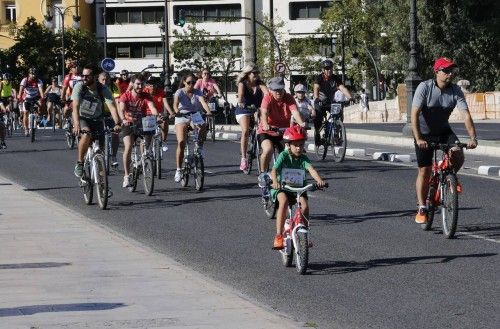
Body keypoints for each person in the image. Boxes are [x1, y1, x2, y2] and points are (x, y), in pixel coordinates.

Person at [411, 57, 477, 224]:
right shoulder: (424, 87)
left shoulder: (455, 90)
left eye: (451, 71)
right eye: (446, 71)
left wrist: (472, 138)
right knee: (424, 171)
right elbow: (414, 114)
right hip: (424, 134)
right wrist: (418, 138)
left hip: (443, 131)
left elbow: (466, 115)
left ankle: (449, 179)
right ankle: (421, 207)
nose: (449, 74)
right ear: (436, 71)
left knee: (458, 153)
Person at [270, 125, 327, 250]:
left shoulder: (303, 158)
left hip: (299, 189)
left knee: (305, 206)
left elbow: (311, 170)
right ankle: (279, 235)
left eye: (301, 145)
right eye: (295, 145)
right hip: (282, 187)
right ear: (288, 145)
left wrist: (320, 181)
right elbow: (274, 170)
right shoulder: (284, 156)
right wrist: (275, 181)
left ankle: (304, 235)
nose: (298, 148)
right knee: (283, 201)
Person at [72, 65, 121, 179]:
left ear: (94, 77)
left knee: (101, 151)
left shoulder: (103, 89)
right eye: (82, 76)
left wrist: (117, 123)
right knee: (86, 134)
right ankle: (79, 163)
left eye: (87, 76)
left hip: (97, 119)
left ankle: (102, 186)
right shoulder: (79, 87)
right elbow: (75, 106)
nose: (84, 78)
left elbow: (112, 107)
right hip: (82, 117)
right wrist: (77, 124)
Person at [259, 76, 306, 175]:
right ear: (271, 90)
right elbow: (264, 113)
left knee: (289, 152)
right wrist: (265, 124)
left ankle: (288, 173)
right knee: (268, 149)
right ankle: (263, 174)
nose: (278, 92)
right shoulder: (267, 98)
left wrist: (301, 123)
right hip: (267, 131)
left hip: (283, 132)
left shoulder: (288, 97)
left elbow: (295, 112)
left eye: (280, 89)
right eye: (275, 90)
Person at [118, 74, 159, 188]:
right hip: (128, 123)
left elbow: (152, 107)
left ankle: (144, 158)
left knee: (146, 141)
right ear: (132, 84)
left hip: (142, 123)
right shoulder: (125, 96)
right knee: (129, 146)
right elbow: (121, 109)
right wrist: (123, 119)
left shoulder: (146, 96)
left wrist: (157, 116)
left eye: (142, 84)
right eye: (137, 84)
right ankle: (126, 176)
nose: (140, 86)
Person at [172, 72, 213, 183]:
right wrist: (177, 112)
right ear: (184, 82)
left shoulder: (197, 92)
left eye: (193, 83)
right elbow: (175, 104)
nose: (191, 85)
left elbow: (203, 102)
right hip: (182, 116)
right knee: (181, 142)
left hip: (194, 115)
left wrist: (208, 112)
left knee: (203, 124)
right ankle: (179, 170)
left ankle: (199, 147)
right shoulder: (179, 92)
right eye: (189, 82)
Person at [235, 64, 268, 171]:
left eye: (258, 73)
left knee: (264, 128)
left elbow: (267, 94)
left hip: (257, 109)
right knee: (245, 131)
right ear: (248, 74)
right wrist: (241, 101)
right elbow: (240, 95)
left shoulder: (260, 84)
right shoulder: (242, 83)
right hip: (243, 109)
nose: (256, 75)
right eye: (254, 73)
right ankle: (243, 158)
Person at [313, 59, 352, 145]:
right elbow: (316, 88)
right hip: (320, 102)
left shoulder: (335, 78)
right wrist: (316, 98)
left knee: (338, 115)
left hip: (331, 102)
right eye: (326, 68)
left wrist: (350, 98)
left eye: (330, 68)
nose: (329, 70)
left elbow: (342, 88)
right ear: (323, 70)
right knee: (318, 118)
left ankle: (336, 135)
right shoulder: (319, 78)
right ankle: (317, 134)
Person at [145, 76, 175, 152]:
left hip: (159, 113)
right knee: (146, 137)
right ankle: (145, 152)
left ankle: (163, 141)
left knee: (164, 122)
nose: (152, 87)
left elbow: (165, 103)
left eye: (154, 85)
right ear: (147, 86)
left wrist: (171, 112)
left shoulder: (161, 92)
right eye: (150, 85)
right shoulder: (144, 92)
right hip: (147, 113)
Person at [98, 72, 121, 167]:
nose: (104, 81)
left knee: (115, 133)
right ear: (98, 80)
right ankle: (99, 155)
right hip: (98, 112)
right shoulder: (95, 87)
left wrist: (119, 120)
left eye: (106, 79)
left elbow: (117, 102)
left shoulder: (113, 86)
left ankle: (114, 156)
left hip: (111, 112)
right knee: (99, 134)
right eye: (102, 79)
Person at [18, 68, 44, 136]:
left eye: (34, 74)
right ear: (29, 74)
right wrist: (20, 98)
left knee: (42, 103)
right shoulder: (25, 80)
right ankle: (26, 129)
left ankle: (39, 115)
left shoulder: (38, 81)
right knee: (26, 112)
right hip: (27, 97)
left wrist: (42, 98)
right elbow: (21, 90)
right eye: (32, 74)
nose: (33, 75)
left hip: (35, 96)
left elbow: (41, 91)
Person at [61, 62, 83, 127]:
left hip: (82, 96)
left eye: (77, 66)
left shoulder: (83, 76)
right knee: (66, 110)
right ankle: (67, 120)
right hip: (72, 96)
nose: (77, 68)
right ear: (71, 69)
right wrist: (62, 98)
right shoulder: (68, 77)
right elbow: (64, 88)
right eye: (74, 67)